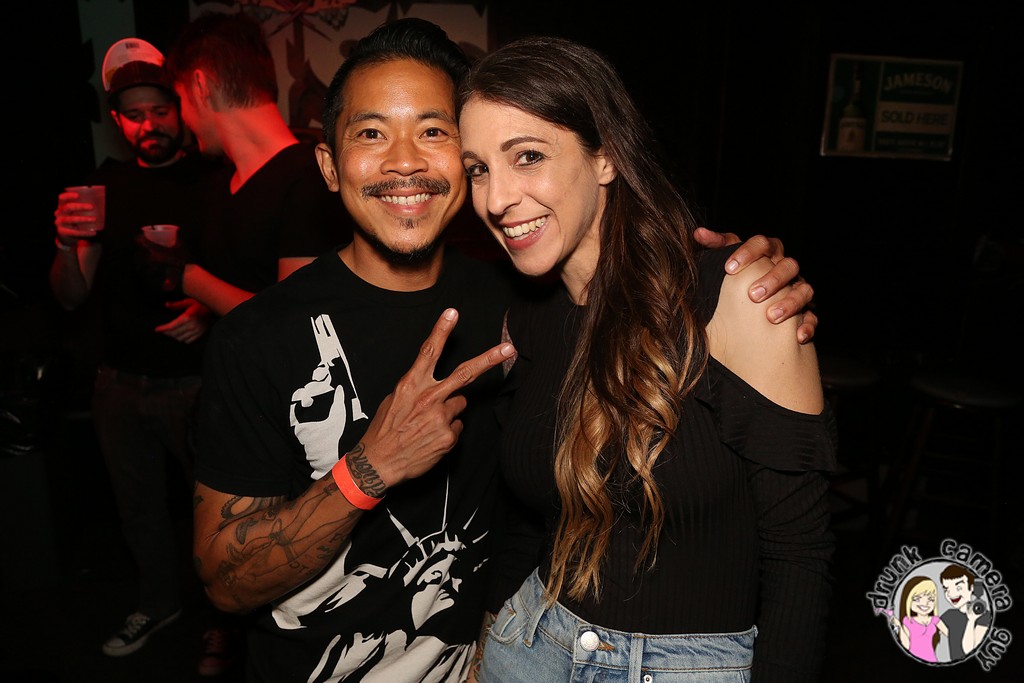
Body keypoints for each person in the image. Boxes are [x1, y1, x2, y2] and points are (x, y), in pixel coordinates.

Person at [191, 18, 818, 683]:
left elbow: (792, 543)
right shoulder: (258, 338)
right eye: (371, 133)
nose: (405, 161)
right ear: (328, 165)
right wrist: (369, 468)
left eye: (435, 133)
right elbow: (224, 585)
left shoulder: (520, 303)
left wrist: (724, 275)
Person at [456, 36, 837, 682]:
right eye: (478, 169)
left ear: (605, 155)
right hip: (529, 646)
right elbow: (529, 520)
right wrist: (491, 634)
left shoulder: (737, 295)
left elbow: (801, 554)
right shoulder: (525, 316)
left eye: (528, 156)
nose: (496, 199)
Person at [49, 37, 218, 658]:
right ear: (119, 123)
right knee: (138, 510)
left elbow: (249, 277)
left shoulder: (212, 178)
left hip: (196, 382)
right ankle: (158, 602)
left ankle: (224, 622)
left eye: (160, 112)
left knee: (217, 511)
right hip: (118, 383)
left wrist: (207, 310)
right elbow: (71, 295)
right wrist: (64, 245)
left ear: (180, 111)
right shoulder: (104, 185)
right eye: (134, 116)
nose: (150, 126)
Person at [156, 11, 352, 317]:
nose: (183, 118)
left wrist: (188, 278)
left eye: (180, 100)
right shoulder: (221, 183)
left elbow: (295, 317)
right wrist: (207, 306)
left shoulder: (311, 178)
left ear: (200, 85)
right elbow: (253, 288)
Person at [939, 564, 991, 660]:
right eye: (946, 589)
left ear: (971, 587)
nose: (951, 594)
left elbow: (969, 650)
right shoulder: (949, 615)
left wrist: (971, 620)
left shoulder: (984, 616)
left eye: (958, 588)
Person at [890, 576, 947, 662]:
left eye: (931, 599)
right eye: (917, 599)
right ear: (908, 600)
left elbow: (951, 635)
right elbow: (906, 645)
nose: (925, 603)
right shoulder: (908, 621)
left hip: (932, 659)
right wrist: (899, 626)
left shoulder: (935, 620)